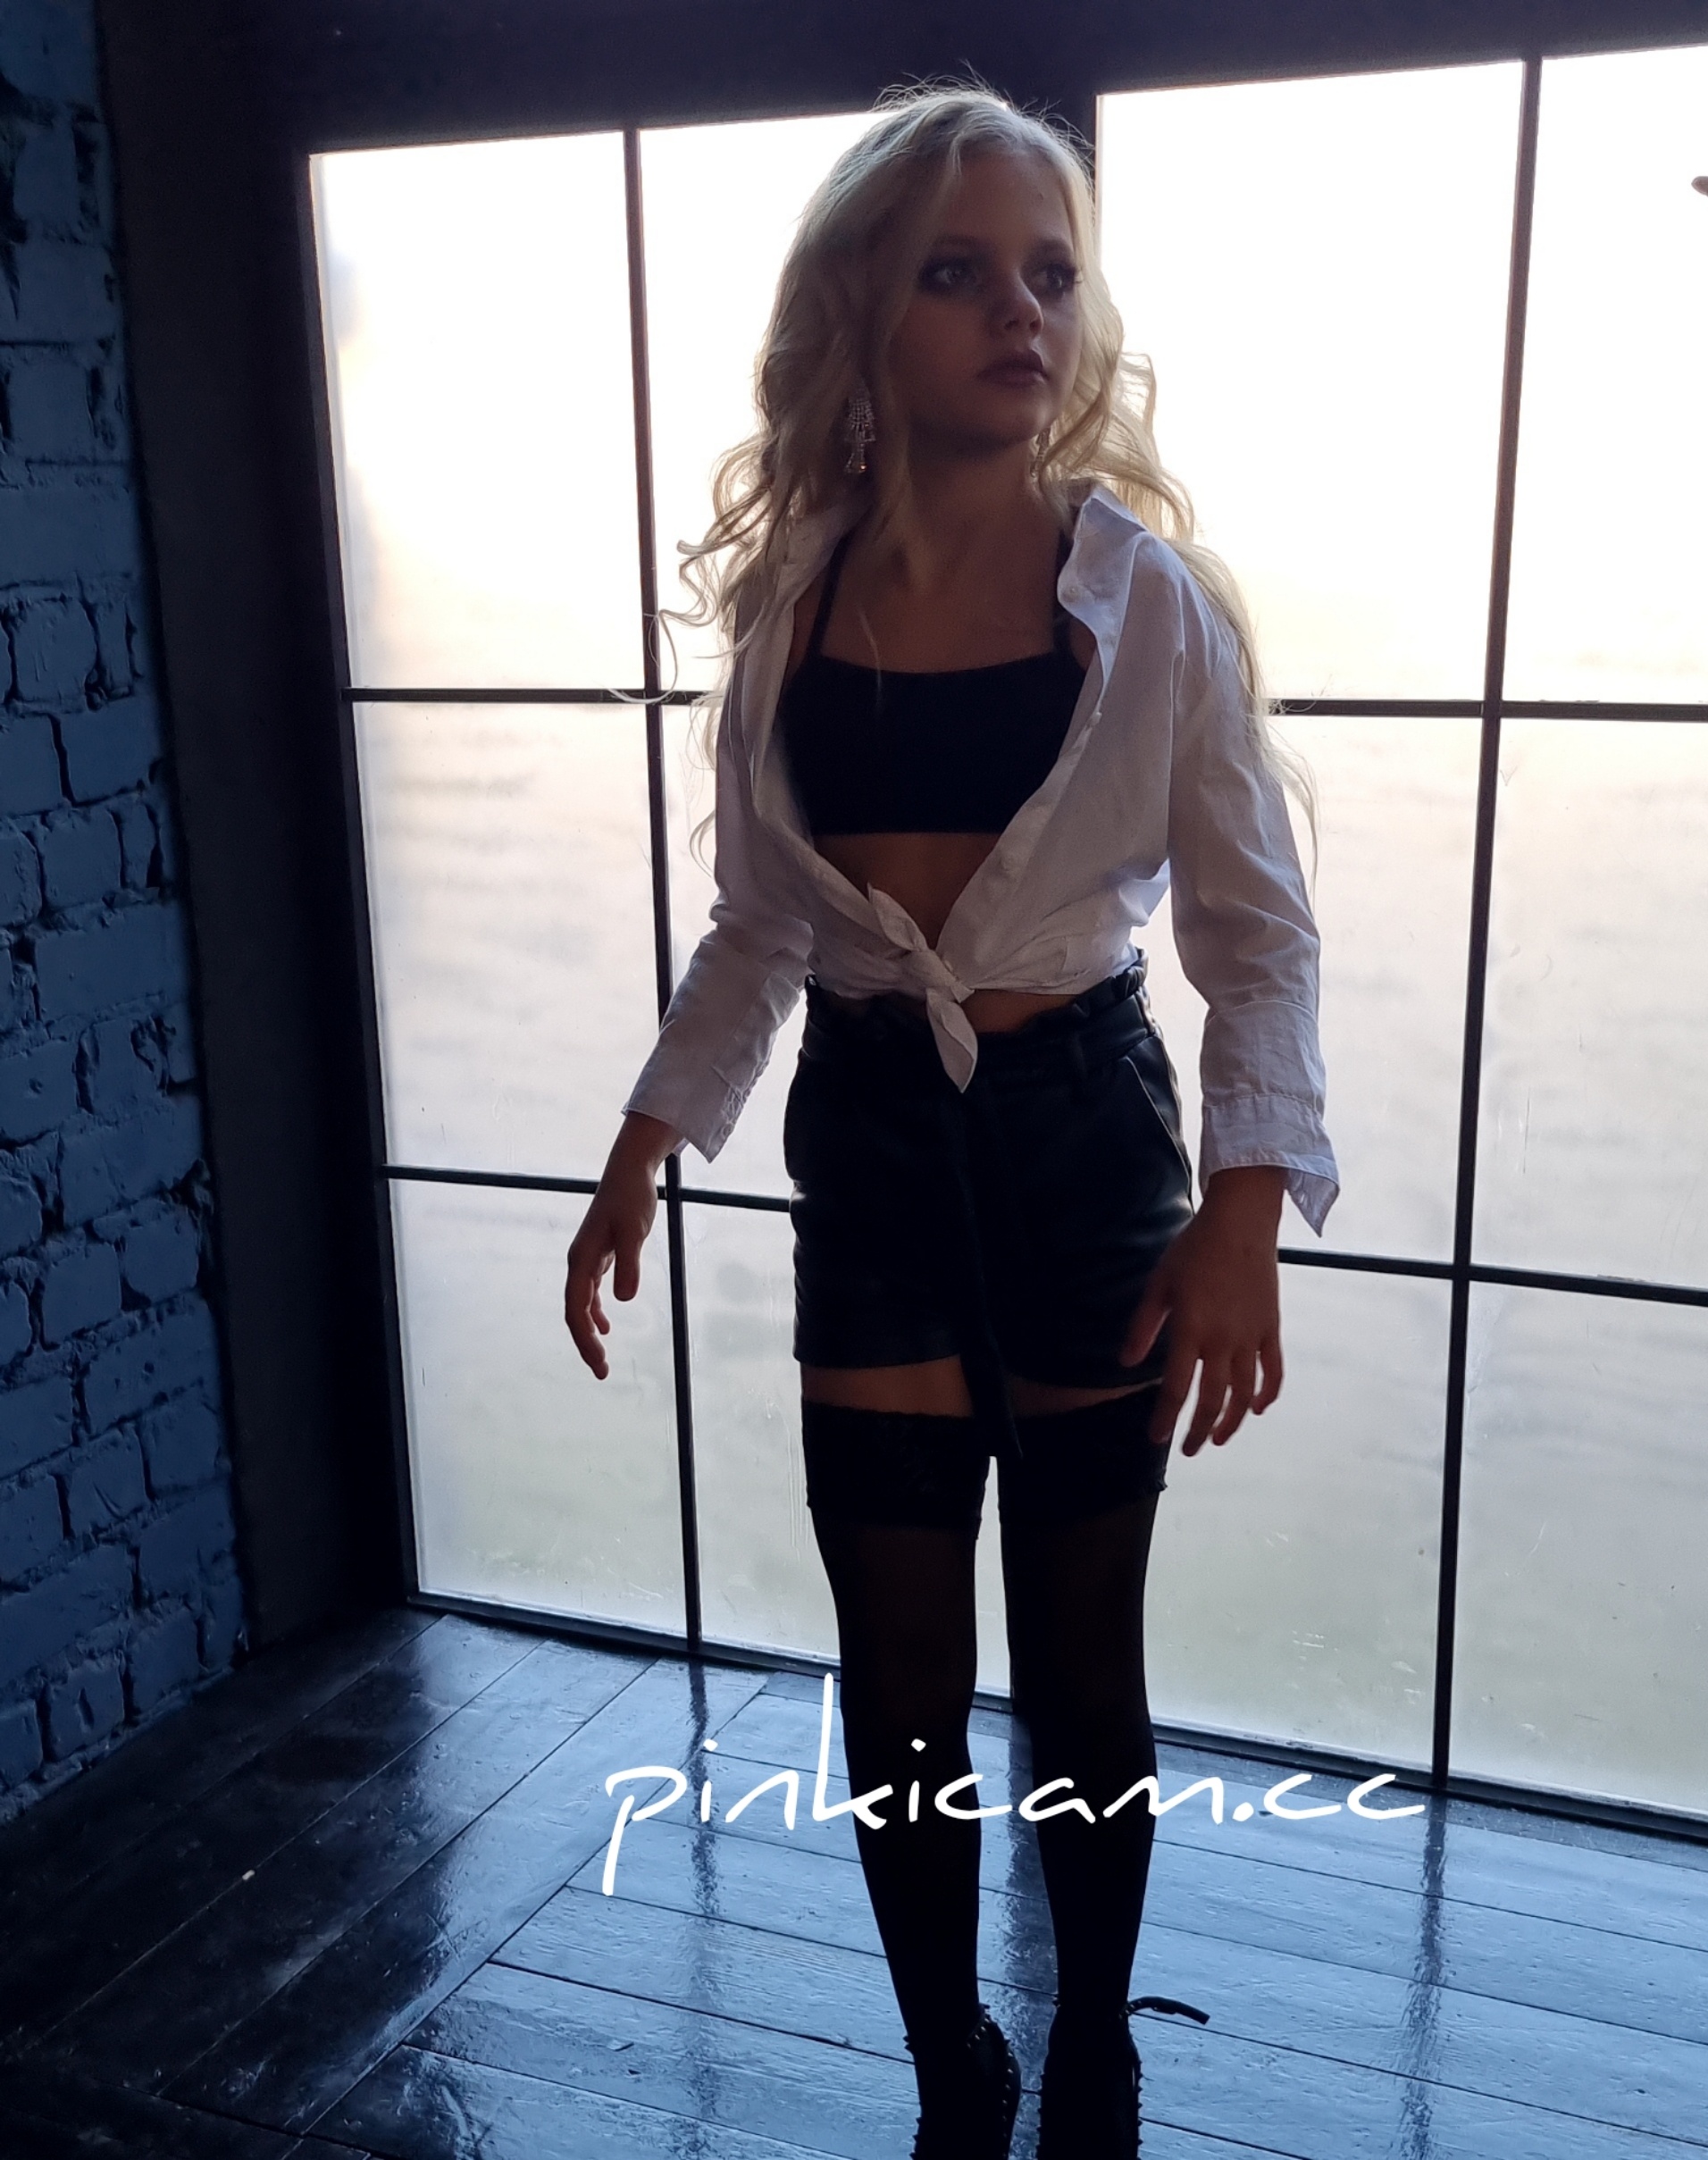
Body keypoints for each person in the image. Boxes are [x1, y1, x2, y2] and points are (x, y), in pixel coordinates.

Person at [565, 85, 1338, 2160]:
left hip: (1085, 1143)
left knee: (1080, 1656)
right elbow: (759, 926)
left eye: (1050, 275)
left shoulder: (1146, 601)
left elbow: (1256, 936)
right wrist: (643, 1142)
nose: (1021, 312)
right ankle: (946, 2069)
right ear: (858, 311)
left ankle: (1091, 2046)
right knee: (895, 1664)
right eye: (957, 270)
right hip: (873, 1152)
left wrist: (1242, 1211)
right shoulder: (791, 608)